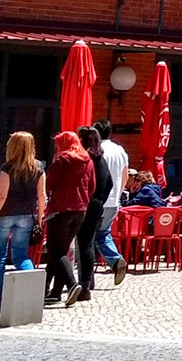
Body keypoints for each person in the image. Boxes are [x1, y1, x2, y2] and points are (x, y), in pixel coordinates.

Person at [0, 132, 45, 314]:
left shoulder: (7, 167)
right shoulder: (38, 167)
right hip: (27, 216)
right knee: (21, 255)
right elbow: (41, 195)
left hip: (5, 215)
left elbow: (2, 196)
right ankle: (29, 292)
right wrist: (40, 217)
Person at [44, 129, 94, 307]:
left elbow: (49, 183)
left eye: (58, 144)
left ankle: (72, 285)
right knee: (61, 251)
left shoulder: (62, 160)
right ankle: (54, 293)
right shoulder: (87, 160)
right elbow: (92, 186)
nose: (56, 147)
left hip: (60, 209)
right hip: (80, 210)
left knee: (55, 251)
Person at [72, 126, 118, 298]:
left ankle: (78, 283)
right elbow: (110, 184)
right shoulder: (101, 159)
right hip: (96, 204)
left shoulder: (84, 159)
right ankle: (86, 283)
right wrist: (100, 199)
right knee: (87, 243)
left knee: (78, 243)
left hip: (84, 204)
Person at [94, 120, 129, 279]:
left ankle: (85, 279)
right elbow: (125, 175)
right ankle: (115, 259)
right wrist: (118, 194)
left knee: (87, 238)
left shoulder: (97, 150)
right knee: (103, 234)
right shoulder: (120, 150)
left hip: (98, 199)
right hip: (114, 200)